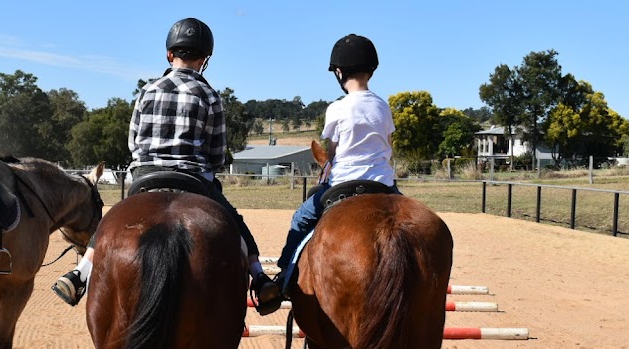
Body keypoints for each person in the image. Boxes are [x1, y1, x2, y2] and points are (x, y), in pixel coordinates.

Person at [52, 17, 282, 313]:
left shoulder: (147, 91)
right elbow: (215, 155)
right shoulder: (210, 96)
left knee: (111, 222)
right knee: (235, 223)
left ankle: (80, 273)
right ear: (205, 60)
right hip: (194, 180)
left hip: (146, 177)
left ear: (169, 55)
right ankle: (260, 278)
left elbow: (133, 143)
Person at [266, 34, 399, 313]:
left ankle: (284, 278)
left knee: (301, 218)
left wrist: (331, 162)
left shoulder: (337, 108)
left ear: (339, 72)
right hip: (384, 185)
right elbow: (387, 142)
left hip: (345, 183)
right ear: (372, 69)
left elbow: (333, 150)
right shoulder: (383, 106)